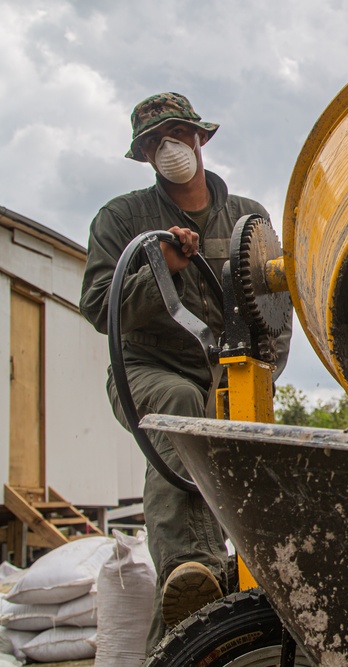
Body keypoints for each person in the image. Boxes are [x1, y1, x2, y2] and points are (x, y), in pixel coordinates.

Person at [79, 93, 289, 652]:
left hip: (231, 376)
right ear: (144, 154)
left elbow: (274, 306)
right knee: (179, 406)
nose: (168, 147)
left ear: (201, 138)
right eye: (154, 141)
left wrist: (260, 378)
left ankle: (202, 620)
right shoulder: (123, 219)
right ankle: (190, 567)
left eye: (177, 133)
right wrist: (157, 269)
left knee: (253, 480)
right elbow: (100, 306)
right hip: (147, 371)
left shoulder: (248, 219)